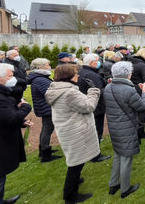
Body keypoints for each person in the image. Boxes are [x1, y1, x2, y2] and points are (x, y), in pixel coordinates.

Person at [45, 64, 100, 204]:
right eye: (76, 73)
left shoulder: (56, 88)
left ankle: (75, 180)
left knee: (76, 160)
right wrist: (93, 91)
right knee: (75, 163)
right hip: (75, 130)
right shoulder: (69, 92)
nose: (78, 76)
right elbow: (89, 106)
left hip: (68, 128)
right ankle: (70, 195)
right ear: (68, 76)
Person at [0, 63, 32, 204]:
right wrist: (26, 107)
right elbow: (11, 118)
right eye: (10, 76)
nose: (13, 78)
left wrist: (21, 121)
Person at [103, 62, 145, 198]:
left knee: (118, 154)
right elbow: (142, 107)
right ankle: (125, 188)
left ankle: (113, 184)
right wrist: (144, 93)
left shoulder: (108, 87)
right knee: (126, 158)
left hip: (114, 127)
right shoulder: (128, 90)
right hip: (126, 127)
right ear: (128, 74)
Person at [77, 54, 111, 163]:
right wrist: (107, 87)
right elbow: (97, 91)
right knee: (96, 131)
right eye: (97, 61)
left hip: (88, 104)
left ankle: (90, 153)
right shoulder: (91, 75)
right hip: (96, 107)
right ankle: (95, 155)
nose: (99, 62)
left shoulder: (83, 72)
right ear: (91, 62)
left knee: (92, 130)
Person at [27, 58, 61, 163]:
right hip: (46, 107)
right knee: (47, 129)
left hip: (44, 106)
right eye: (47, 64)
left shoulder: (40, 77)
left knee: (46, 128)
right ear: (40, 67)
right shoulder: (40, 79)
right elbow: (49, 93)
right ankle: (45, 154)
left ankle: (43, 149)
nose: (49, 66)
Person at [130, 48, 145, 138]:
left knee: (133, 111)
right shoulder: (142, 65)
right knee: (142, 110)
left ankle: (135, 130)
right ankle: (140, 132)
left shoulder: (131, 63)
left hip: (131, 88)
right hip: (141, 89)